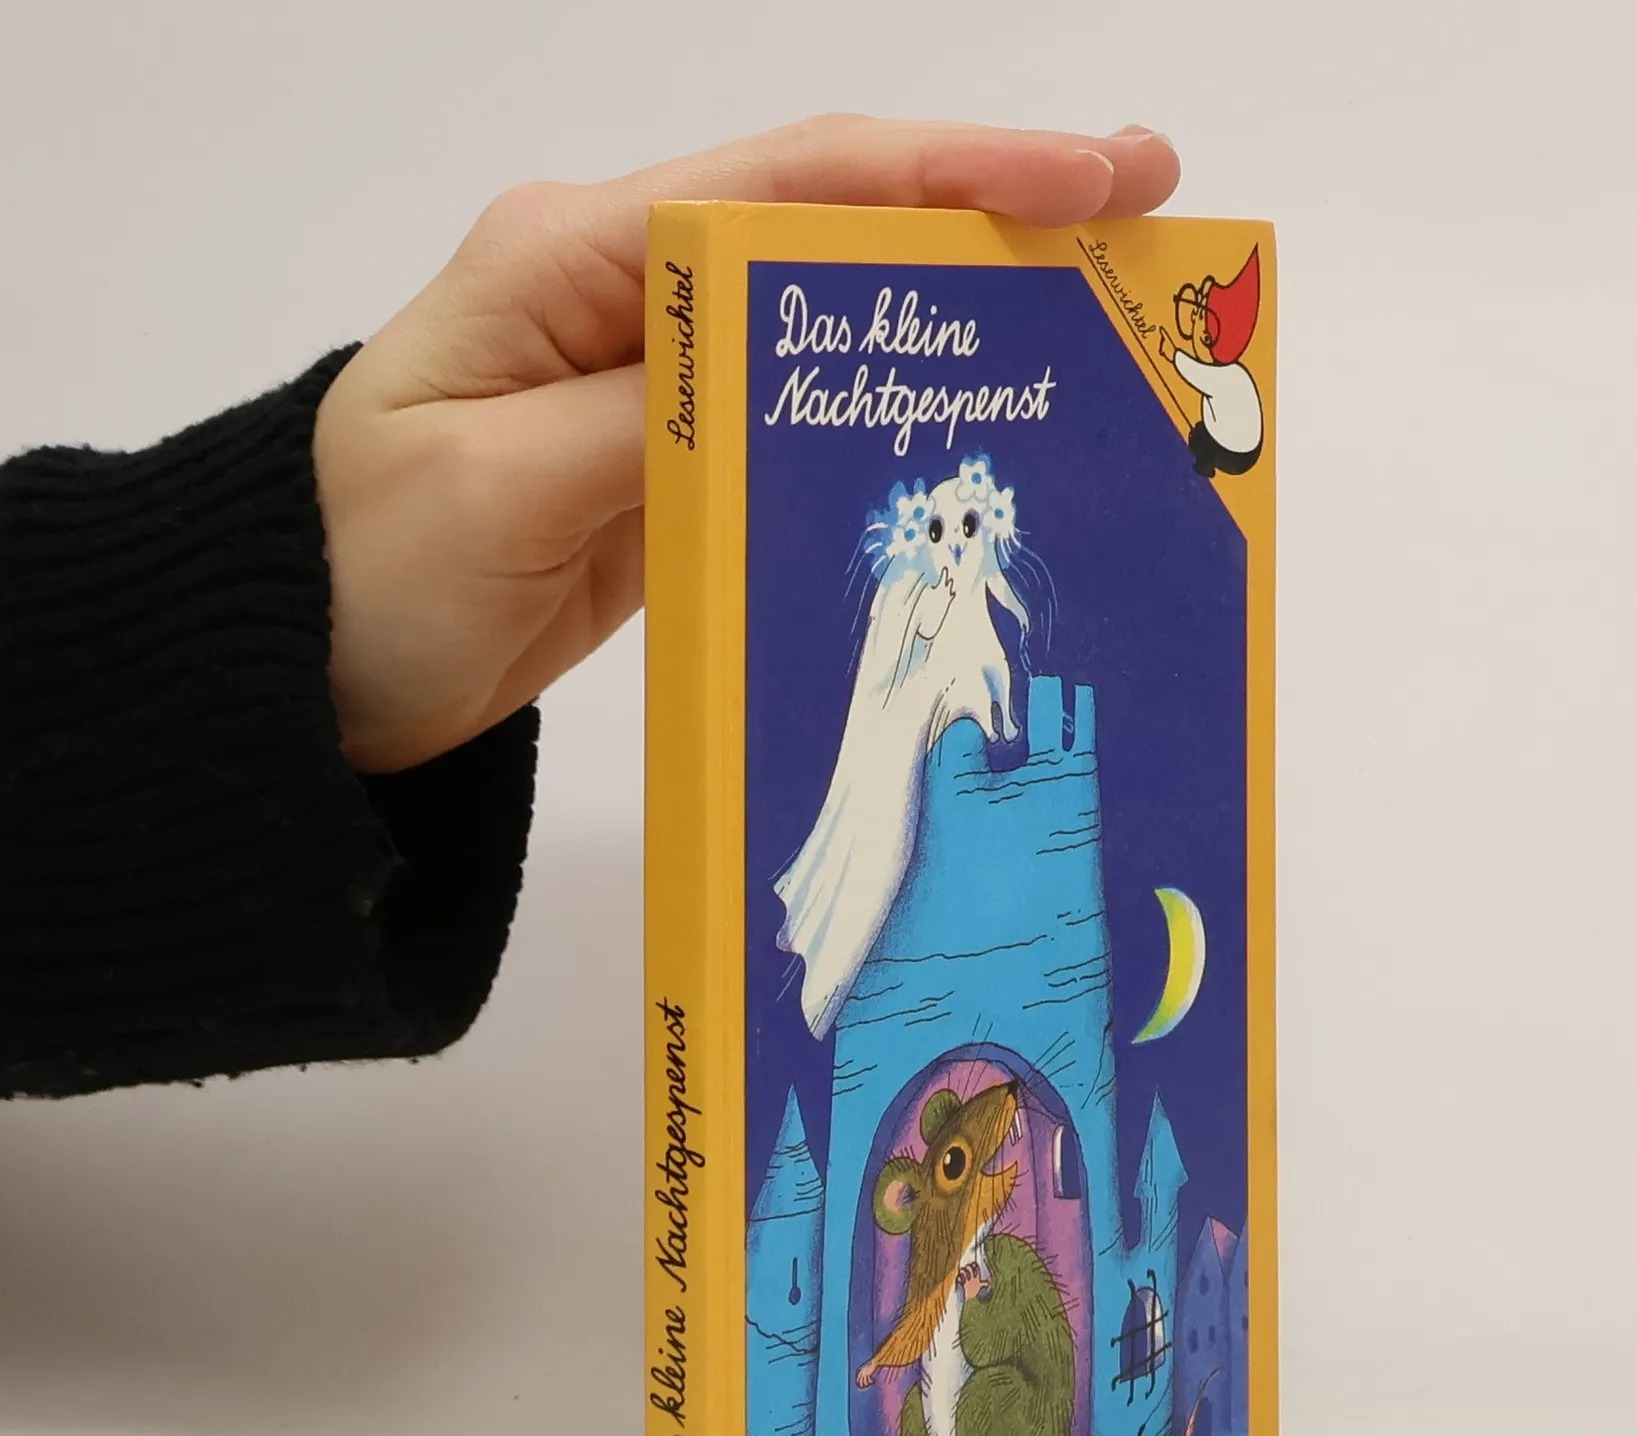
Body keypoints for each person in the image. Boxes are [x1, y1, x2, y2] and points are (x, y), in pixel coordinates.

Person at [0, 115, 1180, 1101]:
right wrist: (274, 611)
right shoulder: (906, 625)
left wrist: (308, 641)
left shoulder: (978, 618)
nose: (964, 548)